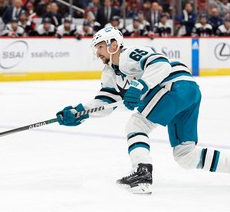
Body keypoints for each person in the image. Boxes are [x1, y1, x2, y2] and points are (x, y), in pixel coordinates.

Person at [55, 26, 230, 194]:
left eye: (100, 47)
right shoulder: (110, 73)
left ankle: (142, 174)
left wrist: (140, 85)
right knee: (186, 156)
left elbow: (160, 64)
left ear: (113, 44)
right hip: (185, 94)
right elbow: (105, 102)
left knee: (137, 124)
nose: (97, 53)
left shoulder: (128, 54)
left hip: (176, 86)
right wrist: (79, 112)